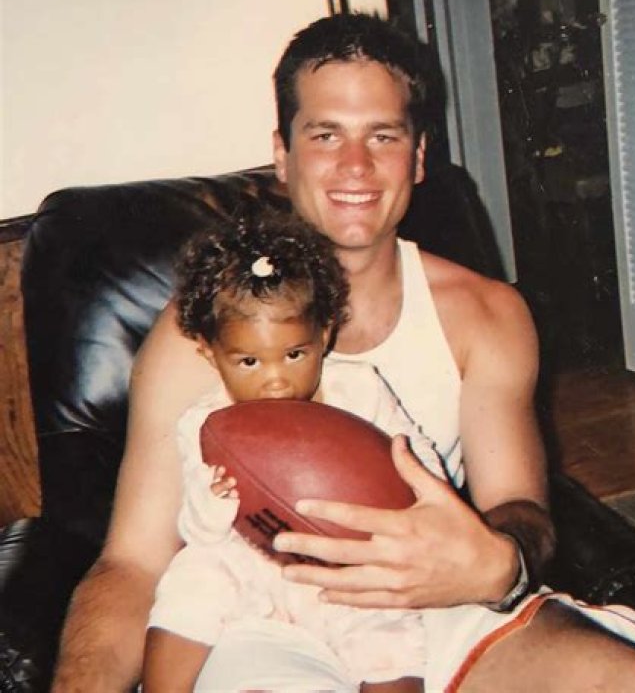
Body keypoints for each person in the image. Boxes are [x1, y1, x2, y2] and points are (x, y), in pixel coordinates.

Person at [52, 12, 635, 692]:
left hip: (430, 602)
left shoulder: (487, 315)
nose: (355, 166)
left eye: (383, 135)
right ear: (283, 154)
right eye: (326, 135)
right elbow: (133, 564)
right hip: (258, 615)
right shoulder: (199, 333)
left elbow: (519, 507)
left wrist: (498, 559)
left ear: (419, 156)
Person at [142, 200, 447, 692]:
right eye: (249, 362)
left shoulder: (360, 389)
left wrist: (423, 497)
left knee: (393, 634)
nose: (276, 380)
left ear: (323, 335)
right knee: (191, 581)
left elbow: (415, 455)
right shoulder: (207, 423)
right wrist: (213, 502)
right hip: (250, 560)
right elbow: (196, 529)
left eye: (294, 354)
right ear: (210, 354)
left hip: (347, 564)